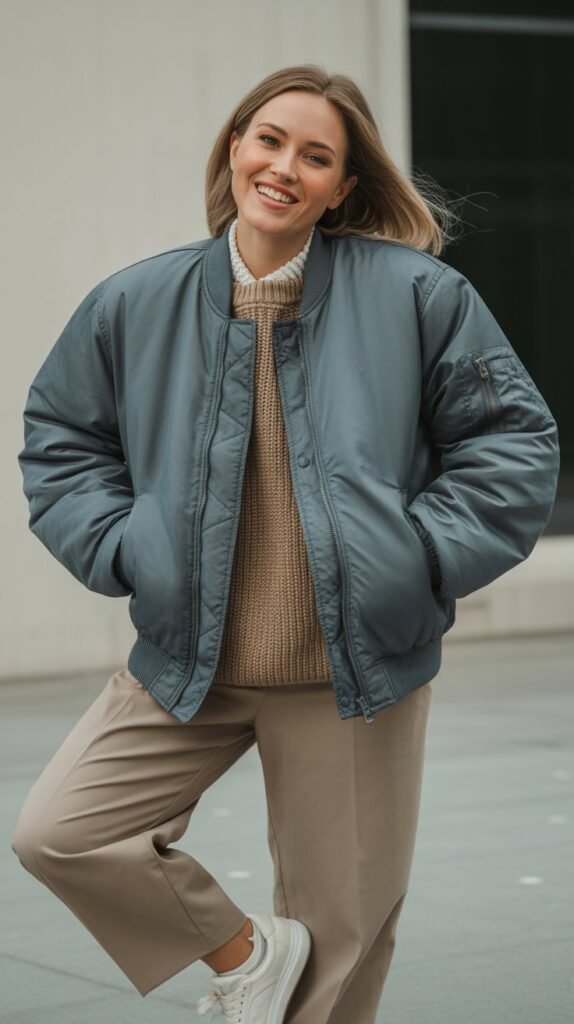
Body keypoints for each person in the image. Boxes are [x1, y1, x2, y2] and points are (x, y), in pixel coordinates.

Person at [11, 63, 559, 1024]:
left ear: (344, 187)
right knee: (60, 831)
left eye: (317, 156)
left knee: (342, 950)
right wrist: (124, 546)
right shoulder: (135, 302)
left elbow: (511, 444)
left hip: (353, 669)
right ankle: (250, 954)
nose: (285, 168)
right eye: (269, 140)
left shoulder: (420, 295)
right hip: (190, 656)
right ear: (235, 149)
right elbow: (62, 439)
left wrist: (416, 555)